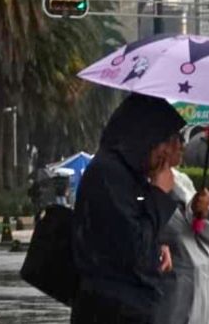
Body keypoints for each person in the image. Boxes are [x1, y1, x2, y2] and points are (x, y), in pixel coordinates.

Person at [71, 93, 186, 323]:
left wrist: (157, 245)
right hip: (113, 309)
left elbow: (136, 229)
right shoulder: (110, 175)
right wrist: (159, 195)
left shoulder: (129, 174)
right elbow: (133, 248)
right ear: (146, 138)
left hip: (127, 306)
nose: (167, 154)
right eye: (166, 143)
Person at [154, 169, 209, 324]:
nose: (177, 149)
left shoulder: (179, 180)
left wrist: (206, 212)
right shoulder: (127, 182)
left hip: (204, 306)